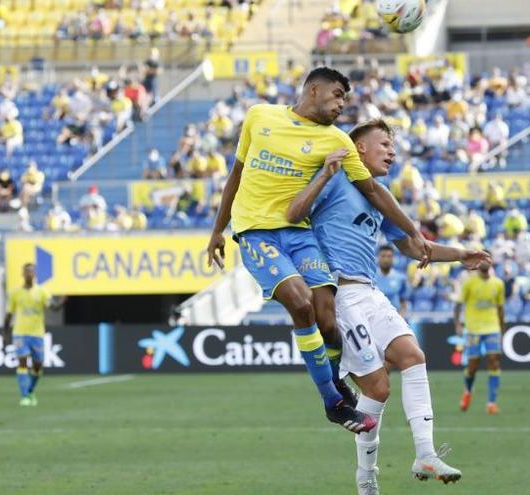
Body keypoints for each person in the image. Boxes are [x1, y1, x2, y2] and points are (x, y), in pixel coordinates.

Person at [205, 67, 430, 434]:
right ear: (314, 90)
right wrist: (218, 229)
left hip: (299, 233)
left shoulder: (336, 140)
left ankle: (337, 378)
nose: (342, 104)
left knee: (327, 316)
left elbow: (373, 190)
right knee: (301, 301)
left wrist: (413, 231)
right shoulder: (259, 116)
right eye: (338, 95)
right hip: (258, 233)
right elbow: (237, 174)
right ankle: (333, 399)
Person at [284, 119, 484, 492]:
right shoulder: (337, 177)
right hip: (338, 293)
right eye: (384, 143)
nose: (392, 151)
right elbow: (295, 211)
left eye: (393, 145)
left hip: (369, 291)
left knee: (413, 355)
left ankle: (425, 452)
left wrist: (459, 254)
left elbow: (411, 246)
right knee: (377, 389)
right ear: (359, 148)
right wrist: (323, 176)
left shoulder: (379, 197)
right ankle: (367, 481)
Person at [3, 263, 67, 406]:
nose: (29, 274)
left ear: (35, 274)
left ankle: (30, 390)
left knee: (38, 366)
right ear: (23, 274)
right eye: (27, 272)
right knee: (23, 361)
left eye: (31, 272)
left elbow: (54, 308)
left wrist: (62, 301)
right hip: (20, 333)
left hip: (37, 334)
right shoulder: (15, 293)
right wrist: (4, 333)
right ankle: (24, 396)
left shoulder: (42, 292)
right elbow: (8, 315)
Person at [454, 263, 505, 416]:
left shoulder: (498, 283)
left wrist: (501, 329)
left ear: (491, 263)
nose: (484, 262)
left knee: (494, 361)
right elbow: (458, 304)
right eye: (482, 258)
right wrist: (457, 323)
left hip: (492, 327)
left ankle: (491, 403)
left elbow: (501, 308)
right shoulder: (469, 281)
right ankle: (468, 390)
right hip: (473, 329)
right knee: (472, 366)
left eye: (487, 258)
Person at [375, 244, 408, 319]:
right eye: (383, 256)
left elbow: (404, 301)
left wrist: (400, 318)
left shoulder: (400, 278)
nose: (386, 260)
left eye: (389, 256)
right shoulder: (371, 277)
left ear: (393, 258)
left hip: (395, 318)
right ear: (378, 257)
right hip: (376, 318)